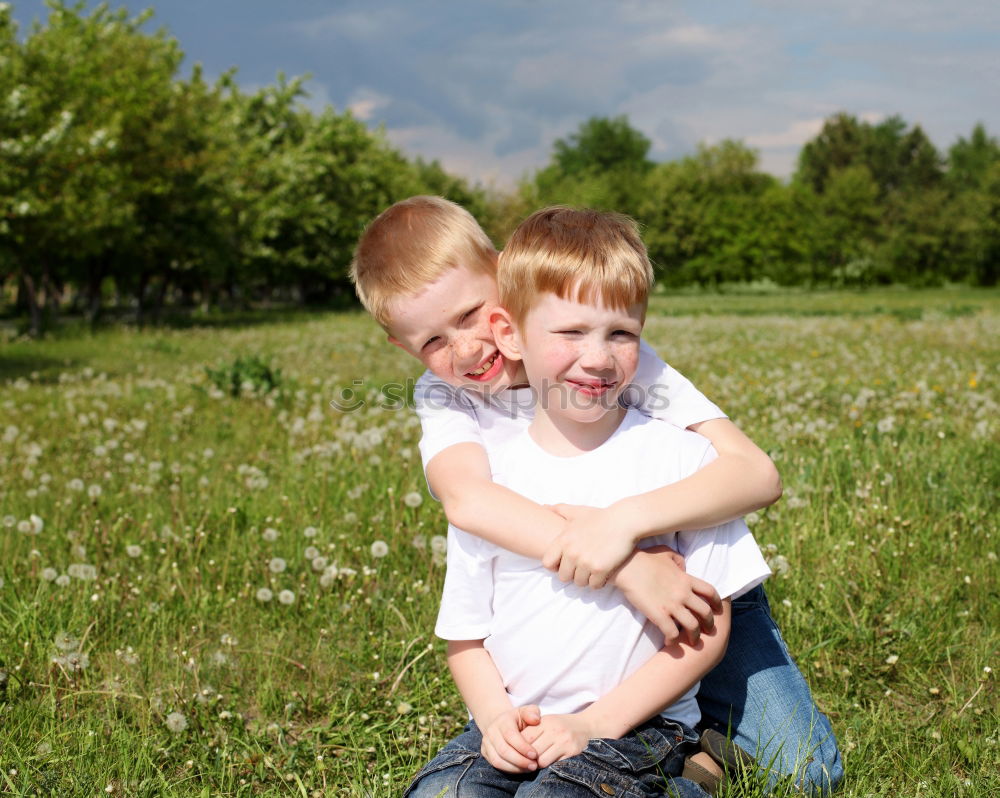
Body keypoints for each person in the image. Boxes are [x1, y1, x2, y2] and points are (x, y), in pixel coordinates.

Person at [350, 197, 843, 795]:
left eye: (473, 313)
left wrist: (625, 527)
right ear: (405, 349)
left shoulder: (606, 355)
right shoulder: (446, 395)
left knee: (805, 770)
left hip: (698, 587)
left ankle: (691, 750)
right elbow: (470, 502)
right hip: (583, 599)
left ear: (505, 274)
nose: (467, 350)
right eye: (432, 342)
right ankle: (680, 747)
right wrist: (626, 567)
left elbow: (755, 476)